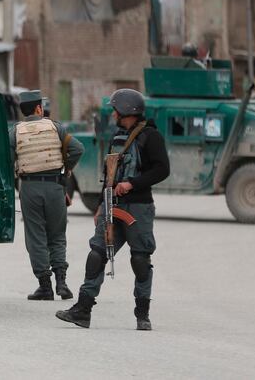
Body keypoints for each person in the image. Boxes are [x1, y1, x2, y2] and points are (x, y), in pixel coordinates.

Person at [56, 88, 169, 330]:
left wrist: (132, 183)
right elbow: (108, 175)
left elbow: (162, 169)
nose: (113, 114)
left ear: (126, 110)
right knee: (97, 253)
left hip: (138, 207)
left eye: (116, 109)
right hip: (112, 205)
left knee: (140, 258)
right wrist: (99, 206)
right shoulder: (117, 137)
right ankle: (83, 310)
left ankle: (142, 315)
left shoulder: (151, 136)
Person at [10, 90, 83, 301]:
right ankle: (62, 283)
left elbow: (7, 158)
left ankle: (45, 286)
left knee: (36, 238)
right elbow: (78, 149)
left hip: (30, 189)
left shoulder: (16, 131)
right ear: (39, 108)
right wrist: (67, 168)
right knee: (57, 235)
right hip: (55, 188)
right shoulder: (55, 127)